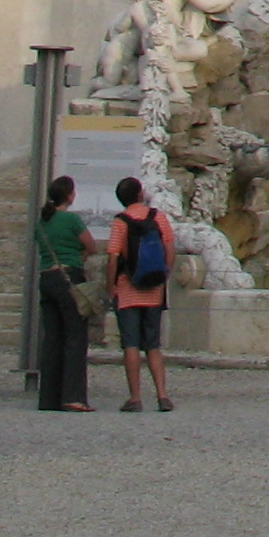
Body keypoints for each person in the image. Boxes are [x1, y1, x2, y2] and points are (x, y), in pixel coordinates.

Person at [107, 175, 177, 412]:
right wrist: (163, 275)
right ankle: (162, 395)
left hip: (128, 289)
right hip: (154, 291)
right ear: (140, 194)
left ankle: (135, 397)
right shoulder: (158, 217)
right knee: (153, 345)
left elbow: (113, 256)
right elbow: (169, 247)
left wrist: (111, 286)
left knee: (131, 344)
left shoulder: (120, 222)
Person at [34, 175, 92, 412]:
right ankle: (73, 396)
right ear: (70, 195)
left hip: (46, 278)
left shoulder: (42, 222)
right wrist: (80, 256)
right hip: (68, 277)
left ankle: (48, 397)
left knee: (52, 338)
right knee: (75, 337)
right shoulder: (71, 220)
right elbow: (90, 246)